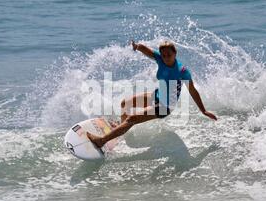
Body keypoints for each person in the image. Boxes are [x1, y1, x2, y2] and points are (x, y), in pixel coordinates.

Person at [86, 40, 217, 149]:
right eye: (164, 55)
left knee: (132, 119)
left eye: (169, 55)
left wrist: (203, 111)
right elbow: (147, 51)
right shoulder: (160, 59)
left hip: (165, 106)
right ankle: (122, 131)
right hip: (157, 95)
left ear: (175, 53)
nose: (166, 58)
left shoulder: (182, 71)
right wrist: (137, 47)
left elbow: (193, 91)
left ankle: (101, 141)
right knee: (125, 103)